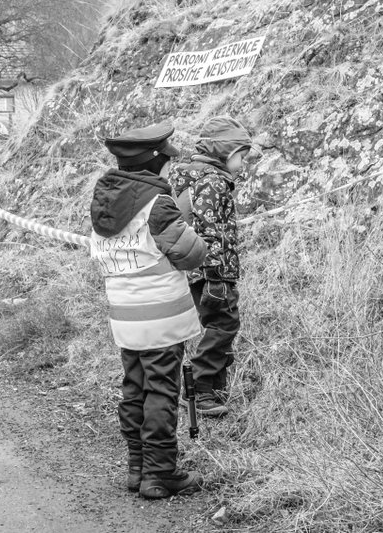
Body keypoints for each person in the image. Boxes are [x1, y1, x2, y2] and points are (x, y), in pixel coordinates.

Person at [89, 122, 208, 500]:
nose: (171, 167)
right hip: (160, 317)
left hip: (124, 315)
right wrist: (187, 222)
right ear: (155, 162)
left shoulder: (105, 201)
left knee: (134, 387)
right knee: (161, 388)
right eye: (167, 161)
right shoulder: (158, 204)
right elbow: (191, 255)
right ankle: (160, 473)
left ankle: (137, 466)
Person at [171, 116, 254, 418]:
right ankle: (202, 389)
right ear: (225, 152)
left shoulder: (190, 177)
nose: (244, 164)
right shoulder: (213, 182)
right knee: (224, 325)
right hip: (212, 273)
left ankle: (215, 392)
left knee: (217, 324)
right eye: (241, 157)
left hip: (197, 271)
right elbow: (208, 230)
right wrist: (217, 276)